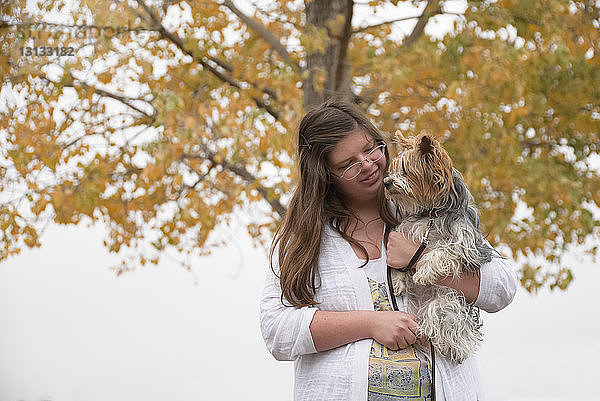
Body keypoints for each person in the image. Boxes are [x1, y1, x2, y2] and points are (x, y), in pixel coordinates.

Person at [259, 99, 517, 401]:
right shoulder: (306, 237)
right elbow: (276, 329)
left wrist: (421, 258)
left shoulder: (431, 212)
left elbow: (502, 286)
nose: (368, 165)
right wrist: (371, 323)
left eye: (371, 149)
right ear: (325, 175)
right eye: (348, 164)